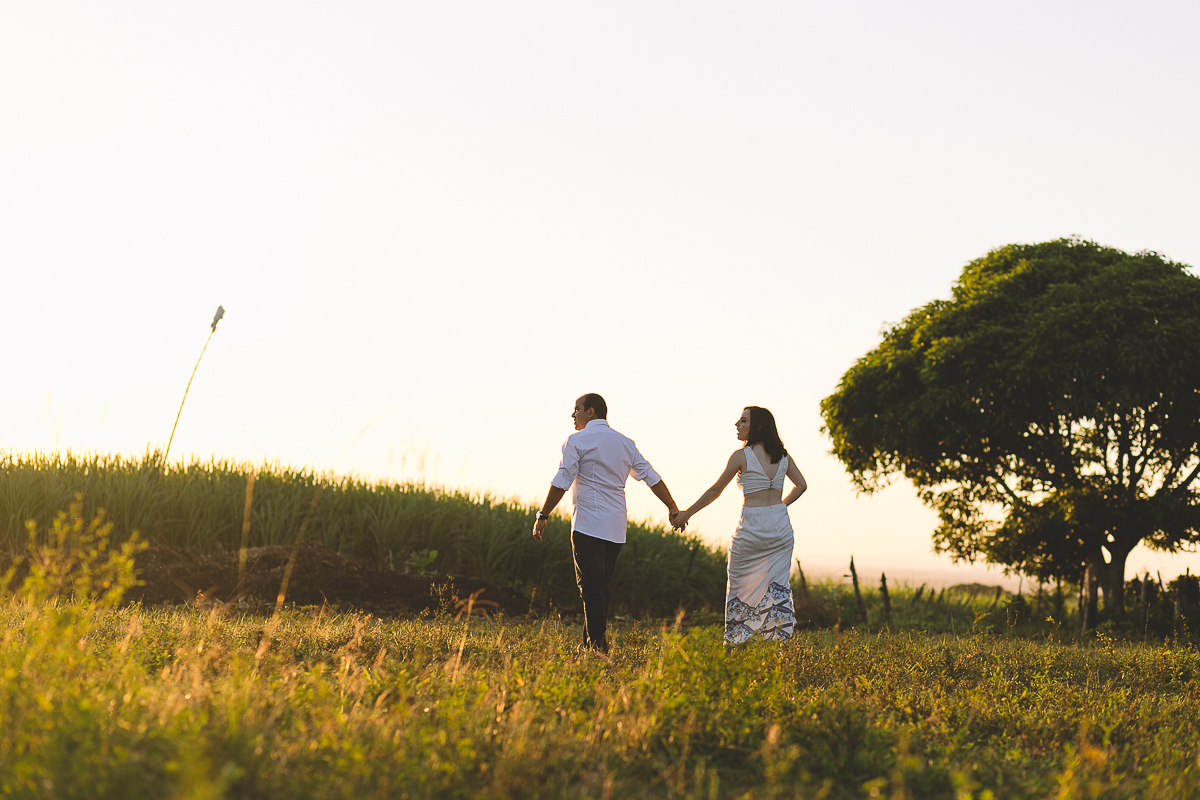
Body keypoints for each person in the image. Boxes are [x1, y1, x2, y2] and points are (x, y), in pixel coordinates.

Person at [532, 393, 680, 654]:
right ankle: (590, 643)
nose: (572, 415)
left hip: (588, 524)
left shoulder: (576, 441)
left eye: (576, 409)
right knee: (600, 586)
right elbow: (651, 476)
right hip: (615, 526)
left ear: (590, 412)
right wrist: (671, 506)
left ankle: (598, 647)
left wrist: (543, 515)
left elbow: (562, 479)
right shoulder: (625, 443)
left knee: (590, 586)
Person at [671, 406, 806, 645]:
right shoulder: (784, 456)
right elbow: (802, 485)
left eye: (743, 420)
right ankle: (779, 644)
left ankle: (734, 643)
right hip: (779, 527)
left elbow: (715, 490)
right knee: (778, 587)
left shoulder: (741, 456)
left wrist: (686, 513)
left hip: (753, 527)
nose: (737, 424)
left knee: (738, 584)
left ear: (758, 427)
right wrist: (780, 506)